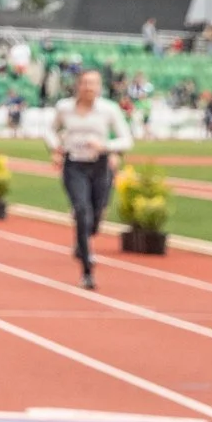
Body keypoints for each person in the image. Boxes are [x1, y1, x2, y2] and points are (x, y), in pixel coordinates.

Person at [46, 68, 134, 289]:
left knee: (94, 220)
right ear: (78, 85)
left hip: (100, 167)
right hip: (74, 165)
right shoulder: (64, 108)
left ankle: (83, 238)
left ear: (99, 87)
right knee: (82, 212)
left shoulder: (109, 109)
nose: (88, 87)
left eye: (93, 83)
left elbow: (127, 139)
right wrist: (56, 146)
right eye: (85, 83)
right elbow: (49, 130)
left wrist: (106, 147)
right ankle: (87, 271)